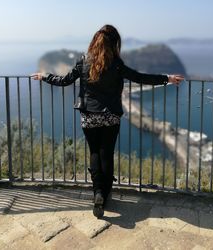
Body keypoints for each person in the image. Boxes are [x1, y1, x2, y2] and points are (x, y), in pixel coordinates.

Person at [31, 24, 184, 219]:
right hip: (110, 115)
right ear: (114, 44)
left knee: (94, 153)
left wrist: (45, 76)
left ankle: (98, 194)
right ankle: (106, 192)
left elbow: (64, 81)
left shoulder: (83, 62)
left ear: (94, 42)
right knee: (106, 154)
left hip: (89, 115)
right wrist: (167, 79)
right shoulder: (117, 65)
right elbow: (140, 77)